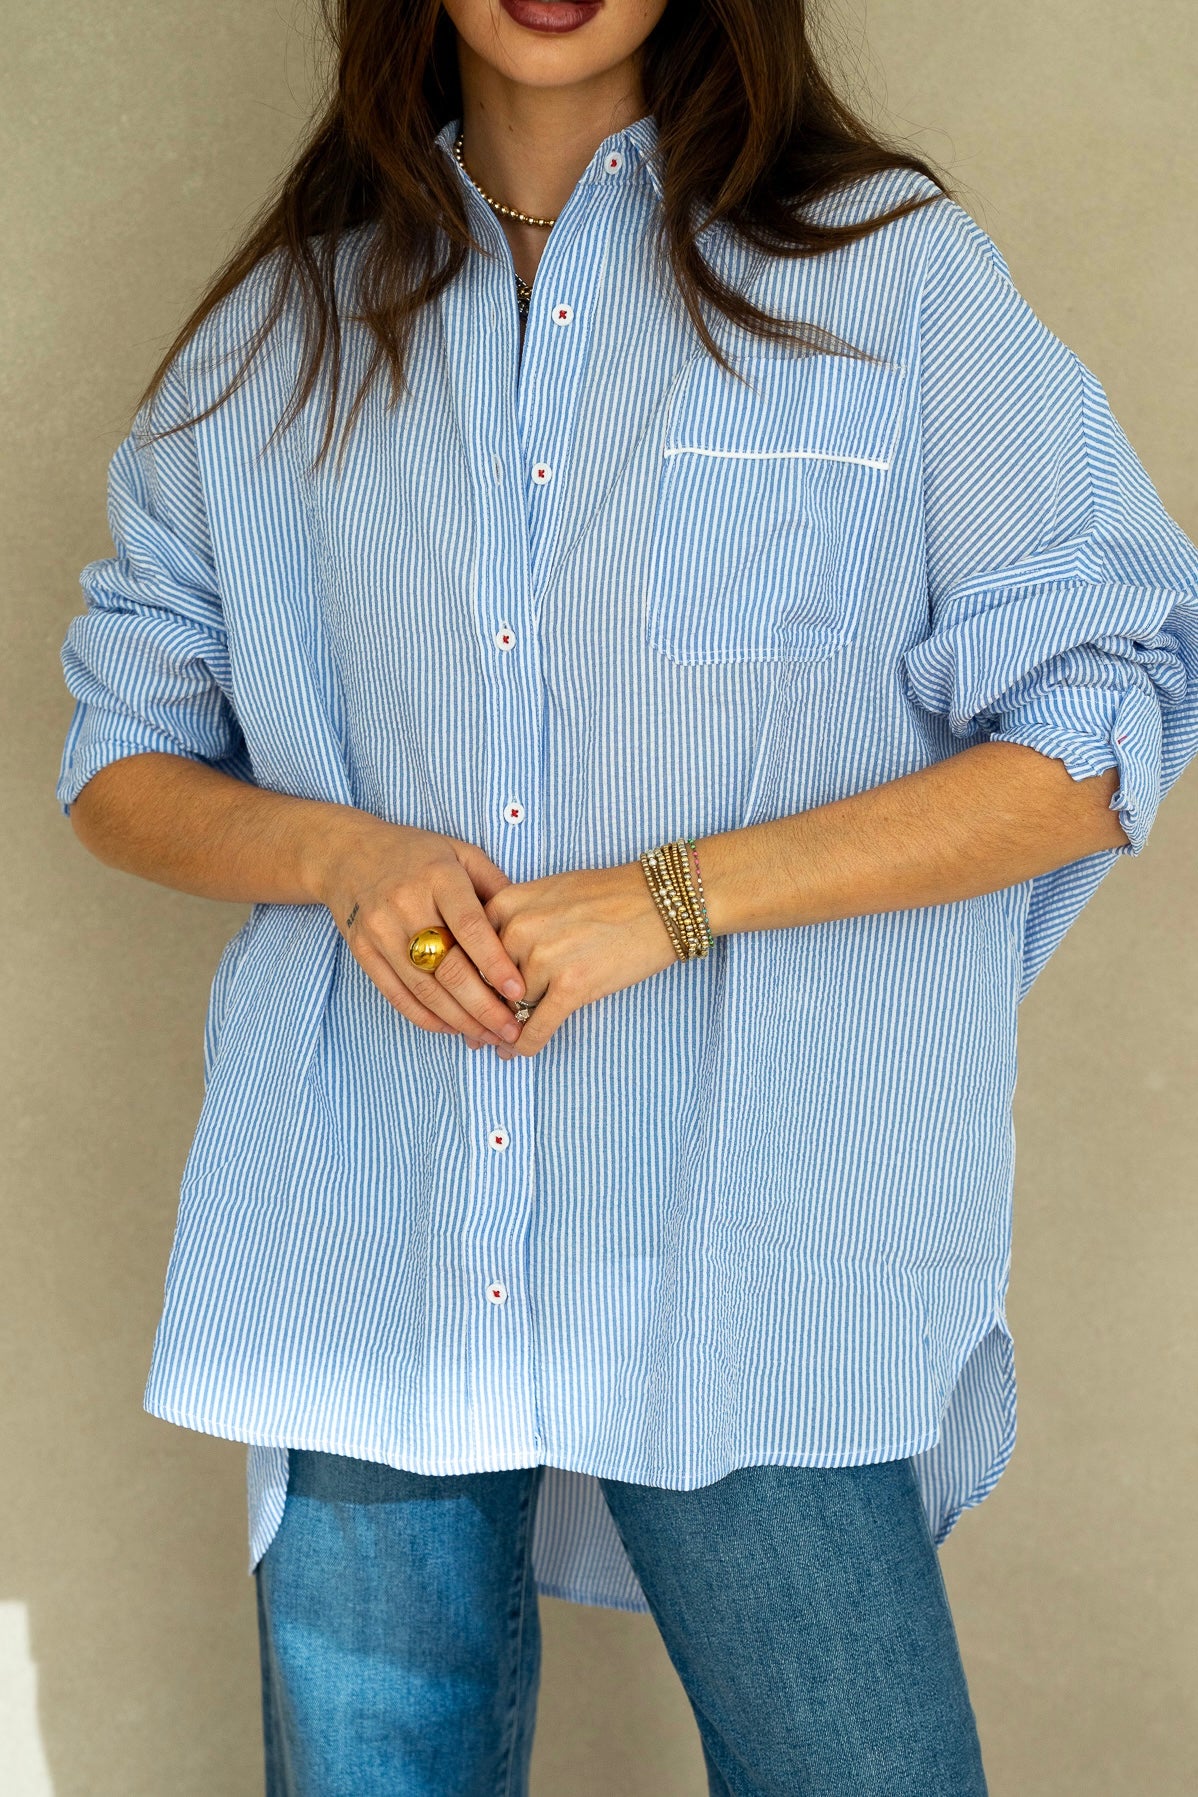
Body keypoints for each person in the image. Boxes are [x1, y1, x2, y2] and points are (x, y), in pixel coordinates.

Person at [56, 1, 1198, 1792]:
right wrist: (342, 857)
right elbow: (119, 757)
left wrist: (670, 899)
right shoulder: (285, 330)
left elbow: (1095, 729)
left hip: (749, 1228)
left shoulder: (890, 280)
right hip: (371, 1224)